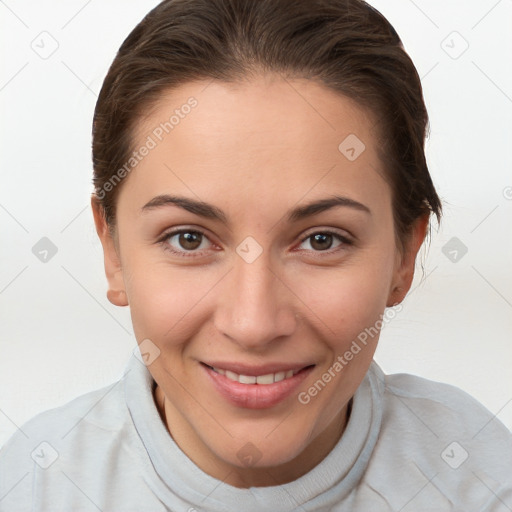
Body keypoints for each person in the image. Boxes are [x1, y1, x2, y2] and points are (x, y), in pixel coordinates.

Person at [1, 0, 510, 510]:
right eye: (189, 239)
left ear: (405, 255)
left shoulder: (479, 478)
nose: (253, 324)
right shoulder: (32, 487)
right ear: (112, 251)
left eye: (321, 240)